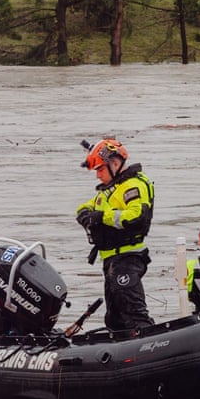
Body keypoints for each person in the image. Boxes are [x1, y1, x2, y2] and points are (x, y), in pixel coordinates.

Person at [75, 138, 155, 332]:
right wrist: (85, 213)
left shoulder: (133, 186)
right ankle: (121, 347)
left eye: (100, 170)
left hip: (128, 258)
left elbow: (135, 217)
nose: (98, 176)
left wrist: (102, 217)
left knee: (133, 312)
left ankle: (146, 343)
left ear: (115, 163)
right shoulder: (111, 189)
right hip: (111, 259)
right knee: (114, 316)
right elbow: (90, 205)